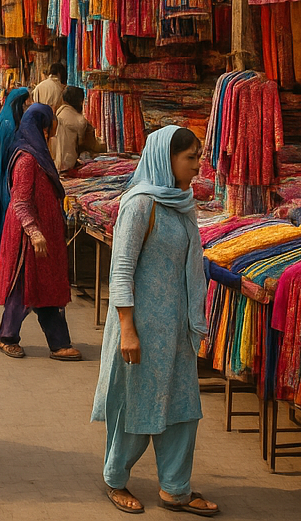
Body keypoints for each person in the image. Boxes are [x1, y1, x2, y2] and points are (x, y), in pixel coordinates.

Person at [93, 126, 217, 517]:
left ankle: (175, 489)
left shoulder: (181, 202)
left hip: (175, 329)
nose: (198, 166)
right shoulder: (141, 204)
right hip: (142, 329)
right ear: (167, 158)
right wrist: (127, 330)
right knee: (137, 407)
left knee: (182, 408)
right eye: (191, 158)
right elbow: (122, 269)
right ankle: (115, 478)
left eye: (198, 157)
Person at [0, 103, 80, 361]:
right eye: (52, 123)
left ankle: (59, 343)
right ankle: (7, 336)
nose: (54, 129)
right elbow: (20, 199)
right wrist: (34, 232)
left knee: (47, 286)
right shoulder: (27, 159)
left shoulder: (39, 154)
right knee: (25, 285)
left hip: (44, 234)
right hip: (28, 235)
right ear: (43, 127)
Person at [0, 88, 32, 278]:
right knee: (5, 225)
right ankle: (2, 266)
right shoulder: (8, 124)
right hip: (5, 179)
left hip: (4, 178)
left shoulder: (8, 120)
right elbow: (2, 156)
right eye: (25, 102)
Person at [55, 86, 108, 173]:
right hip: (68, 165)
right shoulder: (79, 120)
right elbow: (84, 144)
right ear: (80, 102)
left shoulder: (58, 115)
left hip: (56, 163)